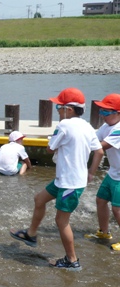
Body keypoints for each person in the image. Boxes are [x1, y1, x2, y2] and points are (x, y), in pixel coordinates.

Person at [9, 87, 104, 271]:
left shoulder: (64, 126)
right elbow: (99, 151)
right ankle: (31, 234)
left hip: (70, 183)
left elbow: (50, 149)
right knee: (39, 199)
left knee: (61, 221)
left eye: (58, 107)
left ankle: (72, 260)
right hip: (66, 180)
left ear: (68, 109)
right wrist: (91, 172)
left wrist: (53, 139)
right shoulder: (88, 126)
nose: (58, 111)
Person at [84, 93, 120, 251]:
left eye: (106, 112)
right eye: (101, 110)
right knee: (100, 200)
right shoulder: (107, 126)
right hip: (113, 172)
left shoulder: (119, 130)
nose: (101, 114)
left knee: (117, 209)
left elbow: (100, 147)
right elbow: (91, 139)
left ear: (118, 113)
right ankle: (104, 232)